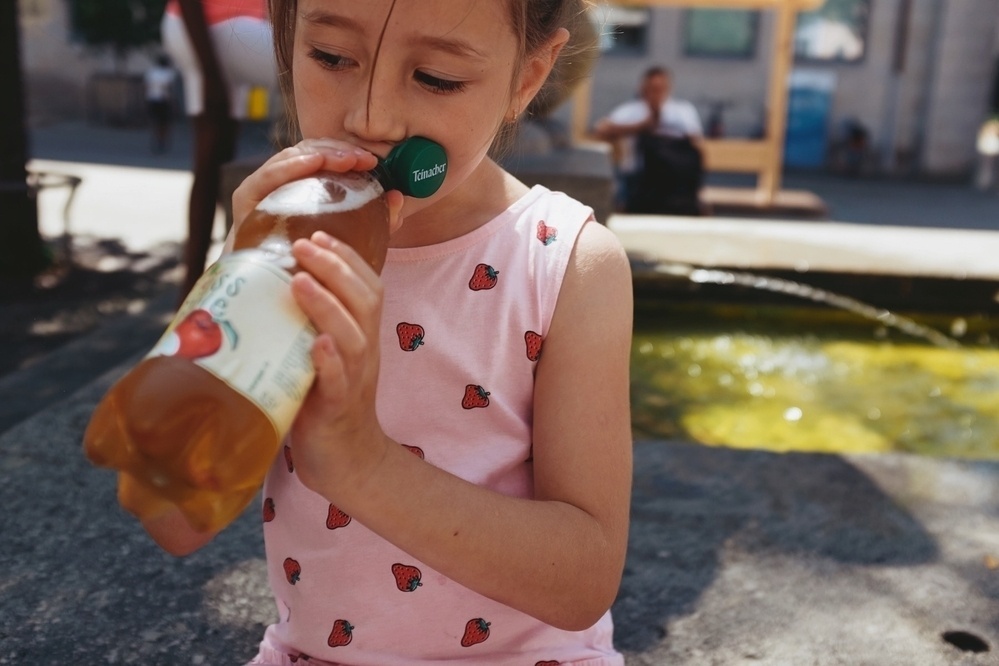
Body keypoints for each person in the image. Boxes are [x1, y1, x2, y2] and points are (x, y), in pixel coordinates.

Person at [132, 1, 634, 664]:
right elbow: (172, 519)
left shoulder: (565, 265)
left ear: (526, 78)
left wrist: (359, 465)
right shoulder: (290, 245)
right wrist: (240, 288)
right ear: (286, 40)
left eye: (435, 78)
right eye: (332, 57)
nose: (370, 119)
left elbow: (582, 584)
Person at [160, 0, 278, 302]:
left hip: (214, 33)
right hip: (212, 30)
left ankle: (194, 291)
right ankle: (190, 291)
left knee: (213, 163)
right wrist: (210, 71)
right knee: (317, 54)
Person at [594, 66, 704, 215]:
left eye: (660, 88)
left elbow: (695, 139)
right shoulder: (630, 110)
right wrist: (640, 127)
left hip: (674, 183)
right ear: (643, 88)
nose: (656, 92)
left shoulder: (682, 110)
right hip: (636, 180)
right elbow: (601, 129)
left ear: (669, 88)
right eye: (652, 88)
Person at [143, 54, 178, 154]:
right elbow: (169, 88)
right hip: (164, 100)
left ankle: (156, 139)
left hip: (152, 99)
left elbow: (146, 86)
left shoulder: (151, 72)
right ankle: (162, 141)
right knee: (165, 123)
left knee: (155, 121)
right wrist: (173, 103)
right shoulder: (168, 73)